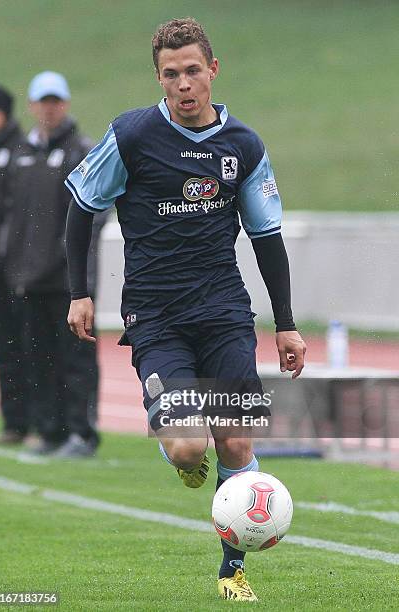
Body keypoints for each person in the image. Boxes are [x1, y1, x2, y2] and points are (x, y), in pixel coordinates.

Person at [65, 18, 306, 601]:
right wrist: (80, 290)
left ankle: (232, 570)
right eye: (171, 75)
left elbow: (267, 237)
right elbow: (81, 208)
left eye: (193, 71)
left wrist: (288, 324)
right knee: (189, 444)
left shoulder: (243, 146)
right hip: (156, 317)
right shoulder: (132, 136)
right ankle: (185, 461)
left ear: (213, 71)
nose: (183, 84)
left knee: (236, 441)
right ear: (159, 78)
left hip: (224, 311)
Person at [2, 72, 107, 457]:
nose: (49, 108)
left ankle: (82, 433)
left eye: (55, 101)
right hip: (28, 277)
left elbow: (95, 213)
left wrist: (75, 261)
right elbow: (12, 215)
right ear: (32, 105)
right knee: (38, 358)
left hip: (68, 281)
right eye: (42, 101)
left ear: (65, 104)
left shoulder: (82, 150)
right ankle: (51, 432)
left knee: (75, 360)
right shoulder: (21, 155)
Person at [0, 85, 28, 444]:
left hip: (14, 269)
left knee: (23, 347)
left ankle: (30, 422)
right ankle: (14, 421)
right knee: (2, 348)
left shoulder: (19, 152)